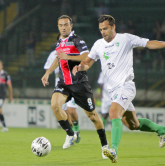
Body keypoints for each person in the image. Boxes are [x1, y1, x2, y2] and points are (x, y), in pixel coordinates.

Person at [72, 15, 165, 163]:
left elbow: (148, 43)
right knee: (133, 124)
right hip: (113, 91)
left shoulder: (126, 39)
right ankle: (162, 130)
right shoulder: (98, 44)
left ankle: (113, 150)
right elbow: (88, 62)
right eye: (100, 29)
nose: (103, 32)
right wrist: (80, 67)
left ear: (113, 27)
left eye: (105, 28)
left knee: (113, 113)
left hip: (126, 86)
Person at [41, 15, 109, 159]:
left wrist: (69, 56)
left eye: (66, 24)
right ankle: (70, 134)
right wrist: (47, 72)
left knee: (92, 116)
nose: (63, 27)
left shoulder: (77, 40)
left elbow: (86, 55)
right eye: (60, 25)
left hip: (79, 84)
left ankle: (104, 146)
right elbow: (58, 58)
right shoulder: (58, 41)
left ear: (71, 25)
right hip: (64, 83)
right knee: (54, 105)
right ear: (58, 26)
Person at [44, 49, 81, 144]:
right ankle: (71, 134)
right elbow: (47, 67)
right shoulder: (53, 54)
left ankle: (76, 129)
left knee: (72, 111)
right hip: (60, 83)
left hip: (72, 82)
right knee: (65, 111)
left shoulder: (73, 51)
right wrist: (47, 74)